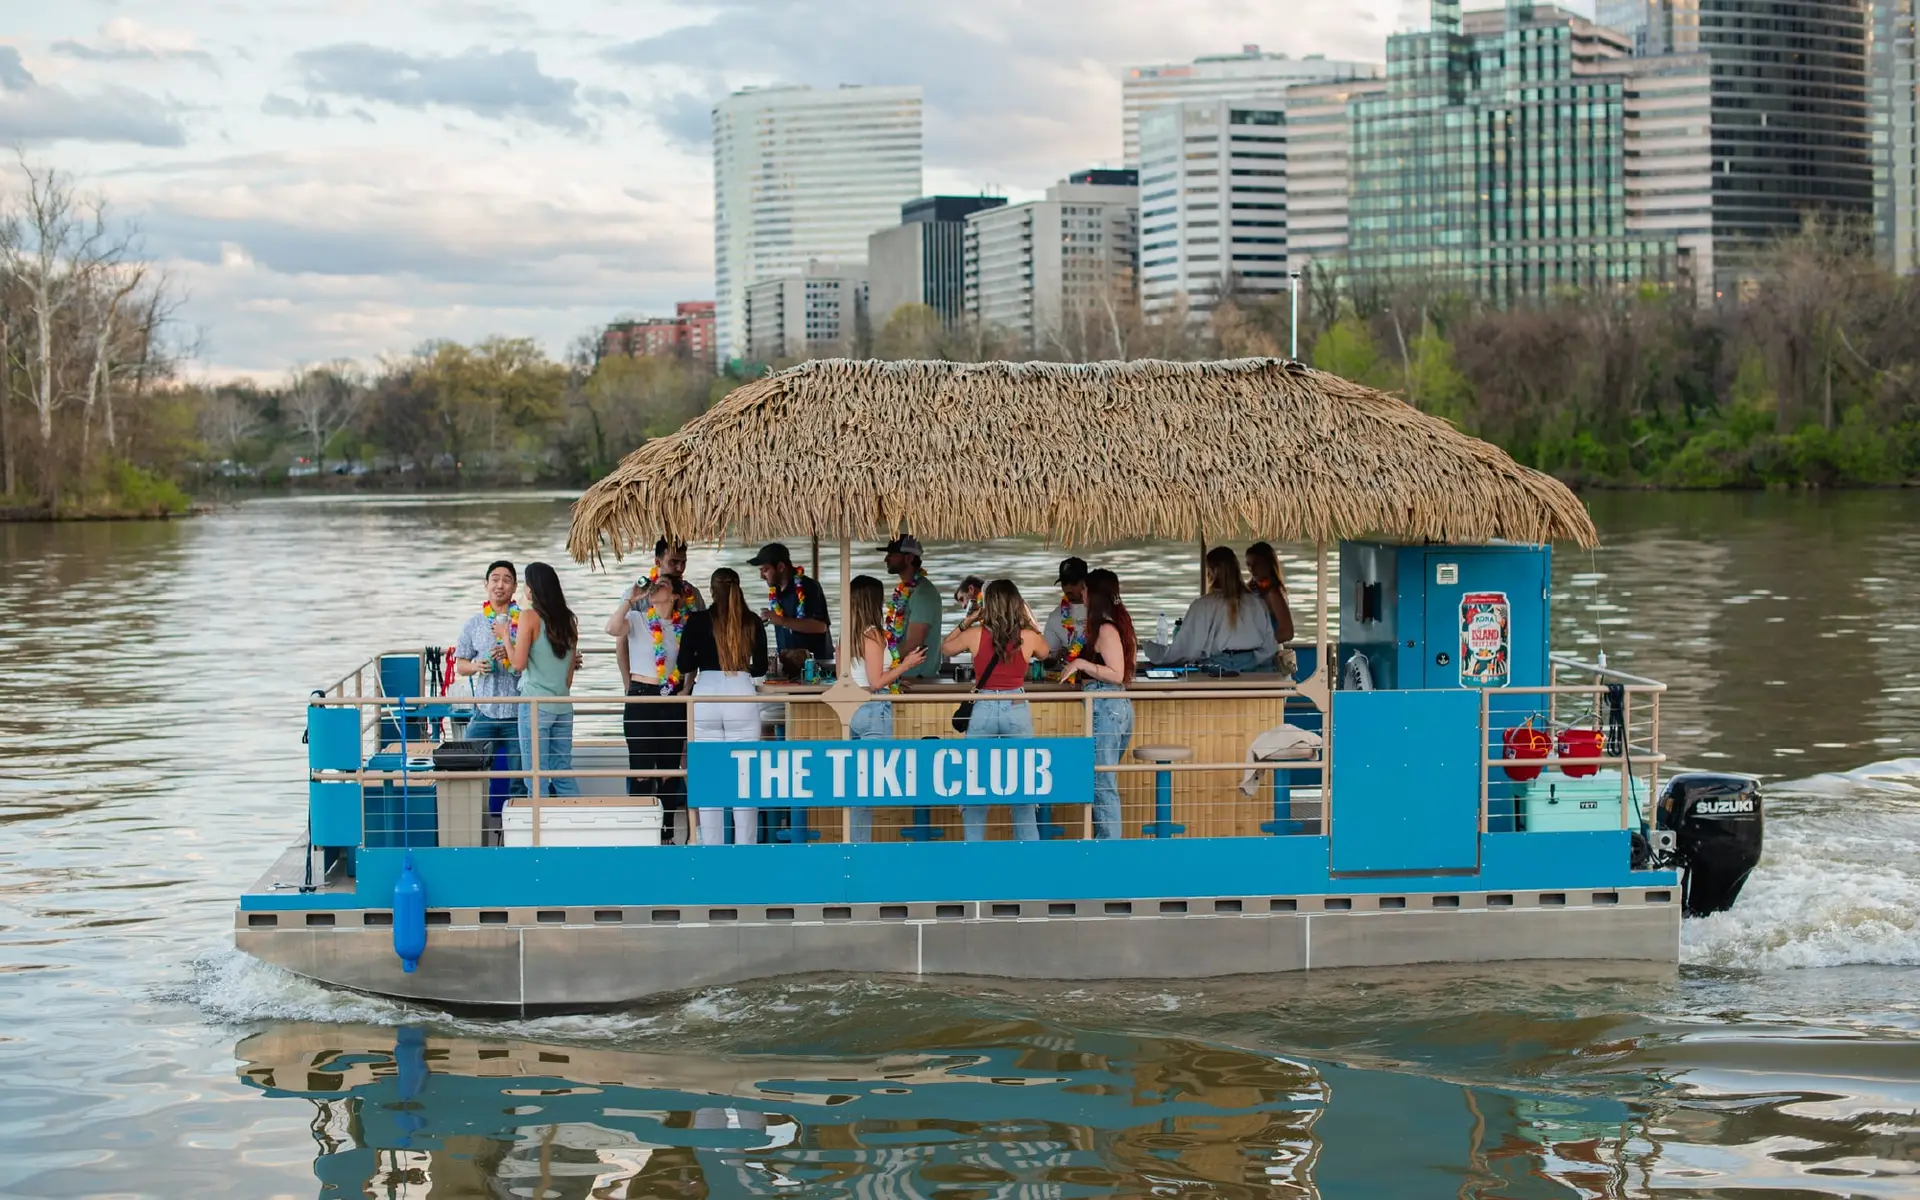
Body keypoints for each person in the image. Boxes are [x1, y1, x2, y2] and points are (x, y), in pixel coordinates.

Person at [608, 538, 704, 845]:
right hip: (641, 695)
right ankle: (639, 832)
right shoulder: (637, 616)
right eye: (668, 566)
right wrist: (632, 597)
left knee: (668, 771)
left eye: (664, 586)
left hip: (672, 697)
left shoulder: (684, 623)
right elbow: (613, 630)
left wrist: (686, 688)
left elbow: (692, 660)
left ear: (675, 596)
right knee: (640, 768)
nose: (659, 586)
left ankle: (665, 835)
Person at [941, 579, 1049, 842]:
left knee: (975, 784)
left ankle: (974, 854)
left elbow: (945, 647)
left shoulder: (976, 634)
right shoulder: (1028, 636)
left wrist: (970, 619)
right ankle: (1028, 857)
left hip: (984, 708)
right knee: (1024, 788)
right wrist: (1028, 617)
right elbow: (1046, 652)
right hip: (1016, 707)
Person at [679, 568, 770, 846]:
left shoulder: (696, 620)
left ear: (711, 591)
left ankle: (712, 850)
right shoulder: (752, 621)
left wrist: (702, 655)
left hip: (706, 695)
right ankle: (746, 850)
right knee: (745, 778)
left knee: (709, 779)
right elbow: (762, 668)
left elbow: (683, 665)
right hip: (741, 693)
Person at [841, 574, 927, 843]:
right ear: (872, 601)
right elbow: (876, 681)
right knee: (867, 789)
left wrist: (895, 680)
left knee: (856, 788)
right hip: (873, 712)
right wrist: (906, 664)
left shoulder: (847, 635)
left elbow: (848, 679)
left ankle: (854, 844)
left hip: (851, 712)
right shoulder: (873, 634)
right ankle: (860, 849)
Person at [1060, 568, 1136, 840]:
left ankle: (1108, 852)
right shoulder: (1109, 624)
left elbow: (1116, 673)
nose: (1081, 593)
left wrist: (1081, 663)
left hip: (1107, 704)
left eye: (1085, 589)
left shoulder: (1105, 628)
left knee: (1102, 783)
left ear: (1093, 594)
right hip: (1114, 706)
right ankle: (1105, 845)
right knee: (1101, 781)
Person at [502, 562, 580, 799]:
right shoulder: (569, 620)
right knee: (562, 771)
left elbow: (517, 664)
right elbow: (568, 677)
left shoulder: (529, 617)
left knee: (536, 774)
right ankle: (576, 824)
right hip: (563, 705)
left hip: (536, 704)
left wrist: (505, 636)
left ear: (532, 588)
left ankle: (539, 832)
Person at [453, 559, 526, 800]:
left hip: (518, 713)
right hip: (484, 712)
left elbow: (534, 662)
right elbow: (460, 664)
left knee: (521, 780)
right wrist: (476, 665)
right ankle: (470, 823)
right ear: (486, 585)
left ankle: (521, 831)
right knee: (464, 767)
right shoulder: (474, 624)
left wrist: (511, 653)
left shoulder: (525, 621)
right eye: (495, 579)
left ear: (515, 587)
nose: (500, 585)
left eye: (506, 580)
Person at [1161, 546, 1279, 672]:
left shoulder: (1203, 605)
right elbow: (1269, 646)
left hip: (1216, 667)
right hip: (1250, 666)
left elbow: (1187, 648)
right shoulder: (1257, 603)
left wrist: (1159, 655)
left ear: (1212, 572)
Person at [748, 542, 833, 672]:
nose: (761, 576)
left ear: (781, 567)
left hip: (815, 670)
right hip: (789, 668)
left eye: (765, 570)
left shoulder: (809, 587)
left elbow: (820, 626)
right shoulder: (775, 592)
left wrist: (782, 621)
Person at [881, 535, 942, 681]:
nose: (886, 559)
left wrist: (882, 661)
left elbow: (913, 643)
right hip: (904, 677)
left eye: (892, 554)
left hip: (916, 680)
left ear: (908, 558)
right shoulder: (906, 590)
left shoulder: (923, 594)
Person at [1244, 542, 1300, 677]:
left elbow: (1287, 632)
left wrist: (1257, 643)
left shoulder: (1273, 593)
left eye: (1257, 563)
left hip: (1269, 662)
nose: (1252, 569)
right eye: (1249, 564)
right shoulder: (1249, 590)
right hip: (1252, 659)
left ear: (1268, 563)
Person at [1042, 557, 1090, 665]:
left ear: (1085, 581)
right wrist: (1057, 655)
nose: (1068, 588)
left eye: (1073, 583)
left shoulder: (1101, 610)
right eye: (1064, 583)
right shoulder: (1054, 617)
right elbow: (1048, 655)